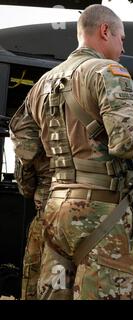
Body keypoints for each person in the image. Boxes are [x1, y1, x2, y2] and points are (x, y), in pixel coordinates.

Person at [9, 4, 133, 300]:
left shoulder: (41, 85)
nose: (123, 47)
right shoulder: (108, 71)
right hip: (101, 213)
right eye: (121, 38)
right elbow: (127, 142)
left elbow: (25, 145)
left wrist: (46, 185)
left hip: (56, 213)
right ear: (104, 31)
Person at [9, 107, 52, 300]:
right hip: (105, 216)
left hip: (48, 217)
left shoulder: (36, 130)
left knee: (34, 281)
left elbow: (26, 187)